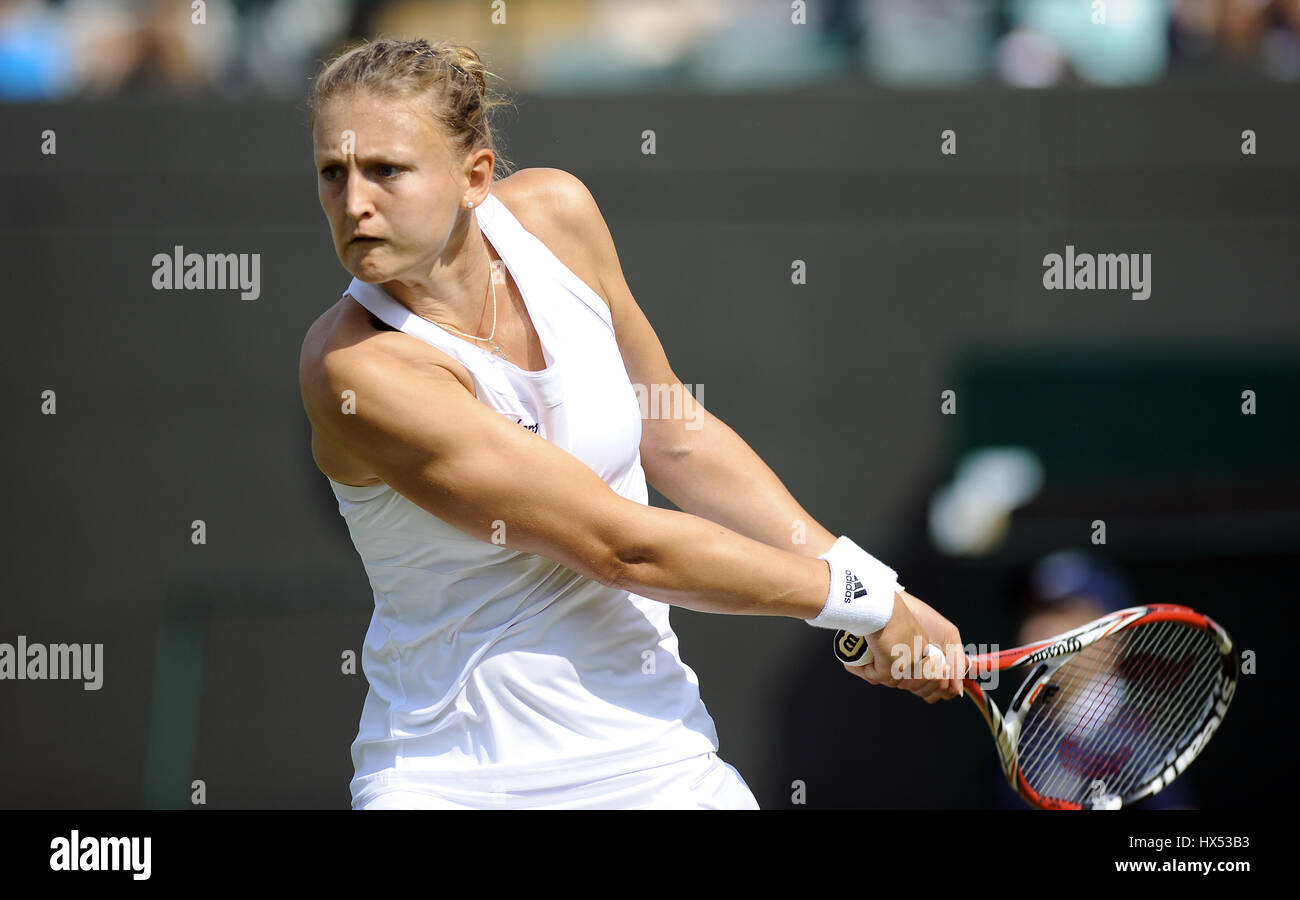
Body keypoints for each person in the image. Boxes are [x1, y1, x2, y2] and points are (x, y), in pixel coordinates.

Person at [298, 36, 967, 810]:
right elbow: (624, 548)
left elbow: (674, 433)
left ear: (475, 175)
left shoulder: (557, 216)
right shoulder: (356, 369)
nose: (354, 204)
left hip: (656, 761)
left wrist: (868, 582)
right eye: (332, 173)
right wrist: (866, 603)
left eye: (386, 170)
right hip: (453, 782)